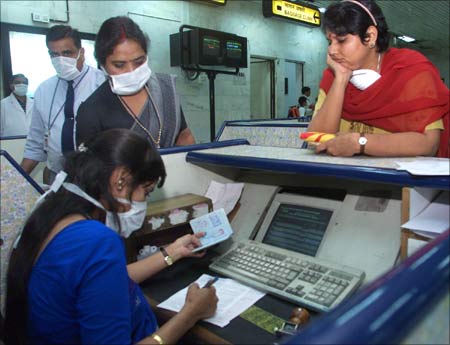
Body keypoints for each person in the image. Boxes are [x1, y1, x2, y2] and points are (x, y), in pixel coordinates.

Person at [3, 128, 217, 344]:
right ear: (120, 180)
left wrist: (173, 252)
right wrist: (191, 314)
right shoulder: (97, 241)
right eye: (146, 191)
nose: (144, 202)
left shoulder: (56, 215)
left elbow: (105, 280)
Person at [309, 0, 449, 158]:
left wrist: (360, 143)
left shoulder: (412, 70)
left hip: (399, 180)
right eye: (329, 41)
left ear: (370, 36)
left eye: (341, 40)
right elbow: (316, 140)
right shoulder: (332, 76)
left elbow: (428, 144)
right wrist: (340, 81)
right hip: (342, 178)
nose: (332, 50)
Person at [76, 16, 195, 149]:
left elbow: (184, 136)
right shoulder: (91, 111)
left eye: (139, 62)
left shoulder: (165, 89)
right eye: (119, 65)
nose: (131, 71)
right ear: (103, 65)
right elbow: (89, 166)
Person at [21, 25, 105, 183]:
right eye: (54, 54)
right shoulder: (43, 90)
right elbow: (35, 144)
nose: (60, 60)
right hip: (57, 177)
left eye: (67, 53)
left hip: (96, 178)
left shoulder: (103, 84)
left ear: (81, 53)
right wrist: (12, 184)